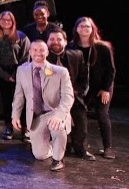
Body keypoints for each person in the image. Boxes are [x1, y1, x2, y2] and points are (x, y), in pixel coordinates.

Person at [12, 40, 74, 171]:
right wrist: (15, 115)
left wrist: (59, 115)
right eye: (35, 50)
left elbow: (68, 96)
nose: (38, 53)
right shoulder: (22, 70)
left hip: (54, 111)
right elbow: (19, 95)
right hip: (37, 115)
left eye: (41, 50)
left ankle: (58, 158)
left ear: (47, 52)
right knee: (40, 155)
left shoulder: (60, 71)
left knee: (57, 125)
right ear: (30, 52)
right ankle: (55, 146)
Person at [68, 17, 117, 160]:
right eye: (81, 26)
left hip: (101, 87)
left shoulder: (102, 47)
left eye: (88, 27)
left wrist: (106, 89)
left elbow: (111, 70)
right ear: (76, 29)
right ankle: (78, 144)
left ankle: (108, 147)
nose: (84, 29)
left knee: (102, 114)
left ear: (92, 29)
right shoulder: (72, 47)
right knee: (78, 114)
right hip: (82, 88)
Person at [47, 28, 93, 161]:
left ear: (66, 42)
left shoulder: (76, 55)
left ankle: (80, 149)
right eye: (52, 39)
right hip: (52, 99)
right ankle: (60, 147)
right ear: (47, 41)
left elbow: (84, 78)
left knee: (80, 122)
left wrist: (78, 94)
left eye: (59, 39)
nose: (55, 42)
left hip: (73, 95)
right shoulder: (43, 58)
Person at [0, 11, 30, 140]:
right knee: (6, 102)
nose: (6, 22)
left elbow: (26, 57)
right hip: (1, 75)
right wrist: (5, 76)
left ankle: (25, 129)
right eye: (3, 20)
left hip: (19, 73)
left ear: (13, 22)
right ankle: (8, 128)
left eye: (9, 20)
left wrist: (16, 74)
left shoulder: (21, 36)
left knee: (23, 102)